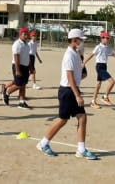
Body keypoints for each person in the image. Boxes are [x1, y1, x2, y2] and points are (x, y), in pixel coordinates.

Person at [36, 28, 97, 160]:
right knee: (63, 119)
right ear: (74, 40)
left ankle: (81, 149)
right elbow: (69, 77)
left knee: (82, 117)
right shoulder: (69, 55)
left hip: (72, 89)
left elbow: (77, 75)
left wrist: (82, 75)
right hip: (67, 91)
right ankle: (43, 143)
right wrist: (77, 95)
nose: (82, 42)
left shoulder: (75, 54)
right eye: (80, 40)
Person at [82, 31, 115, 109]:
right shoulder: (98, 47)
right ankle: (105, 97)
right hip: (99, 66)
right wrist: (84, 62)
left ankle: (93, 102)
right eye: (106, 38)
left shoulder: (107, 48)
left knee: (98, 85)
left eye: (108, 38)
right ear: (101, 38)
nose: (107, 39)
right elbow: (91, 54)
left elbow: (114, 55)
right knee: (112, 82)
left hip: (104, 66)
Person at [2, 27, 31, 109]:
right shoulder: (17, 44)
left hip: (25, 66)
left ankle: (21, 102)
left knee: (23, 84)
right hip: (18, 66)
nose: (26, 36)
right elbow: (16, 57)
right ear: (20, 35)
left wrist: (30, 67)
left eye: (27, 34)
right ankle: (7, 91)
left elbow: (27, 57)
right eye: (24, 34)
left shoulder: (26, 45)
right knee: (18, 85)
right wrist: (17, 70)